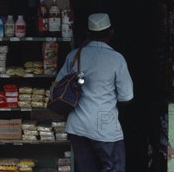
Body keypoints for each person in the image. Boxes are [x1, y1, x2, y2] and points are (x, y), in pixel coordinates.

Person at [54, 13, 134, 172]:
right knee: (113, 168)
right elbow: (126, 98)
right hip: (105, 126)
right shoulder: (116, 59)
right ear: (111, 32)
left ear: (87, 33)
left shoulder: (74, 55)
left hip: (78, 125)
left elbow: (57, 87)